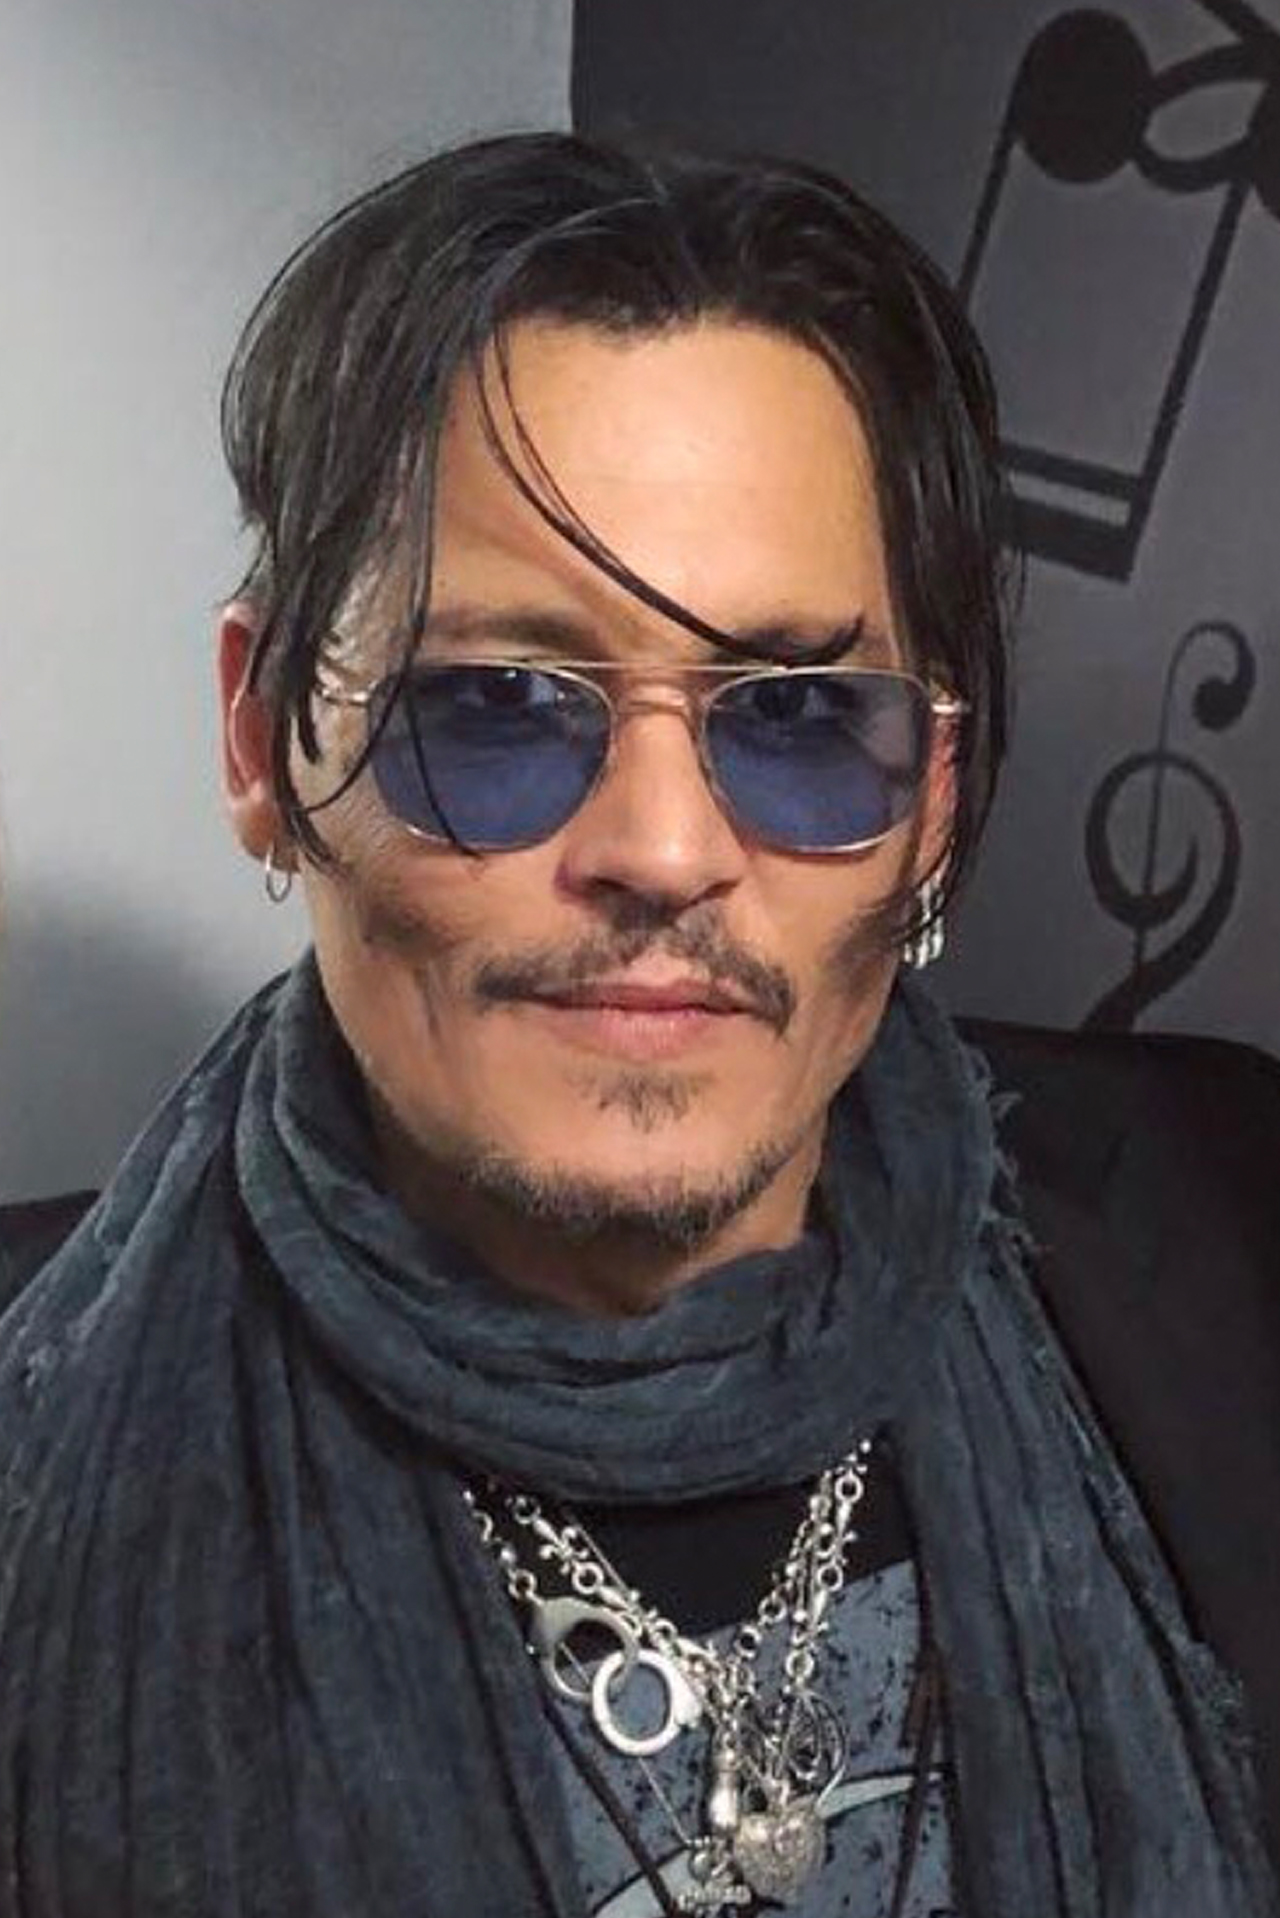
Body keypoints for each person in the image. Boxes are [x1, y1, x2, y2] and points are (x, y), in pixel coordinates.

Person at [0, 132, 1276, 1918]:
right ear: (264, 739)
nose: (664, 852)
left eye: (801, 719)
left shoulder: (1227, 1237)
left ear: (932, 797)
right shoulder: (40, 1453)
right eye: (499, 708)